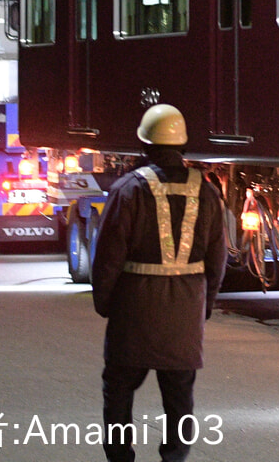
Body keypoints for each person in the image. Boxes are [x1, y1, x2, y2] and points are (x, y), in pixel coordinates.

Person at [91, 104, 227, 462]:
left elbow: (107, 257)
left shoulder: (128, 189)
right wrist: (205, 304)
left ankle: (121, 457)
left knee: (119, 388)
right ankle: (174, 457)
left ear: (145, 144)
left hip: (134, 310)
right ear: (182, 144)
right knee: (180, 395)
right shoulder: (208, 193)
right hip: (184, 312)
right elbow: (217, 259)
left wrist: (105, 302)